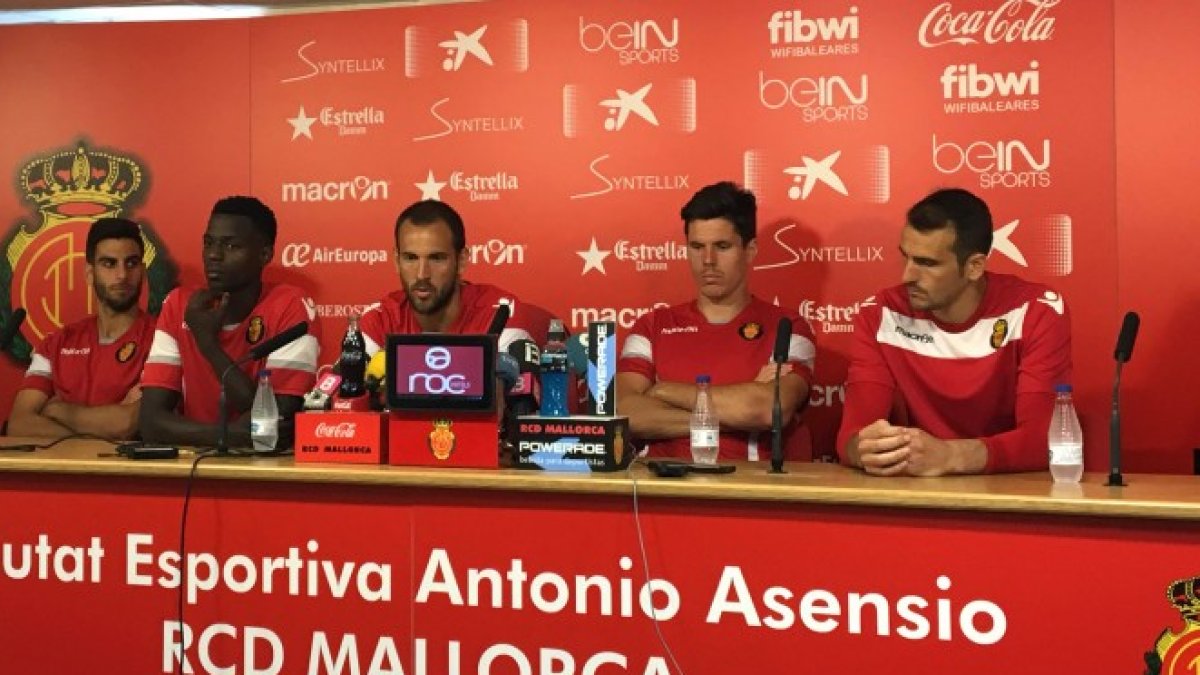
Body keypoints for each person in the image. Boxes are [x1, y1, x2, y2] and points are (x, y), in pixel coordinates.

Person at [837, 187, 1072, 476]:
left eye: (927, 263)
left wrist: (951, 456)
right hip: (914, 495)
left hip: (1012, 494)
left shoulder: (1034, 311)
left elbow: (1044, 441)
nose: (907, 275)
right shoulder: (880, 313)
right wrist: (863, 450)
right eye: (906, 257)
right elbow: (852, 435)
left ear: (974, 266)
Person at [616, 181, 817, 461]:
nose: (708, 260)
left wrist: (662, 391)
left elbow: (766, 409)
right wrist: (728, 415)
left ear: (750, 250)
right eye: (697, 246)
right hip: (661, 490)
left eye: (722, 246)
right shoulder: (652, 326)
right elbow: (624, 415)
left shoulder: (788, 327)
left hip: (752, 492)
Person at [139, 196, 320, 449]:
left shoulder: (290, 306)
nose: (214, 255)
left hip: (269, 473)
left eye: (231, 246)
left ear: (265, 254)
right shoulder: (179, 304)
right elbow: (150, 423)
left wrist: (208, 344)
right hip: (191, 469)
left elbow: (275, 420)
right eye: (209, 243)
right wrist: (231, 435)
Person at [6, 218, 156, 440]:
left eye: (131, 263)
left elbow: (126, 424)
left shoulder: (161, 340)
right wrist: (97, 431)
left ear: (142, 271)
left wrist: (58, 410)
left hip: (128, 475)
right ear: (89, 273)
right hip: (61, 474)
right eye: (109, 263)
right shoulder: (56, 343)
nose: (122, 275)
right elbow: (19, 425)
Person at [359, 199, 555, 355]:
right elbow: (339, 397)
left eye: (436, 258)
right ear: (396, 260)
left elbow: (513, 399)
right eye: (410, 258)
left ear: (461, 260)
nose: (422, 274)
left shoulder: (499, 314)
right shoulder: (381, 319)